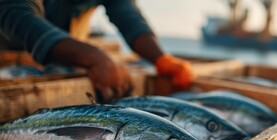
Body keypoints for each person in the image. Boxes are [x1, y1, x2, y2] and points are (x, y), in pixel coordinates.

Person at [0, 0, 194, 101]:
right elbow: (16, 13)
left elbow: (130, 18)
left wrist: (161, 58)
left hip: (66, 60)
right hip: (9, 57)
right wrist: (93, 57)